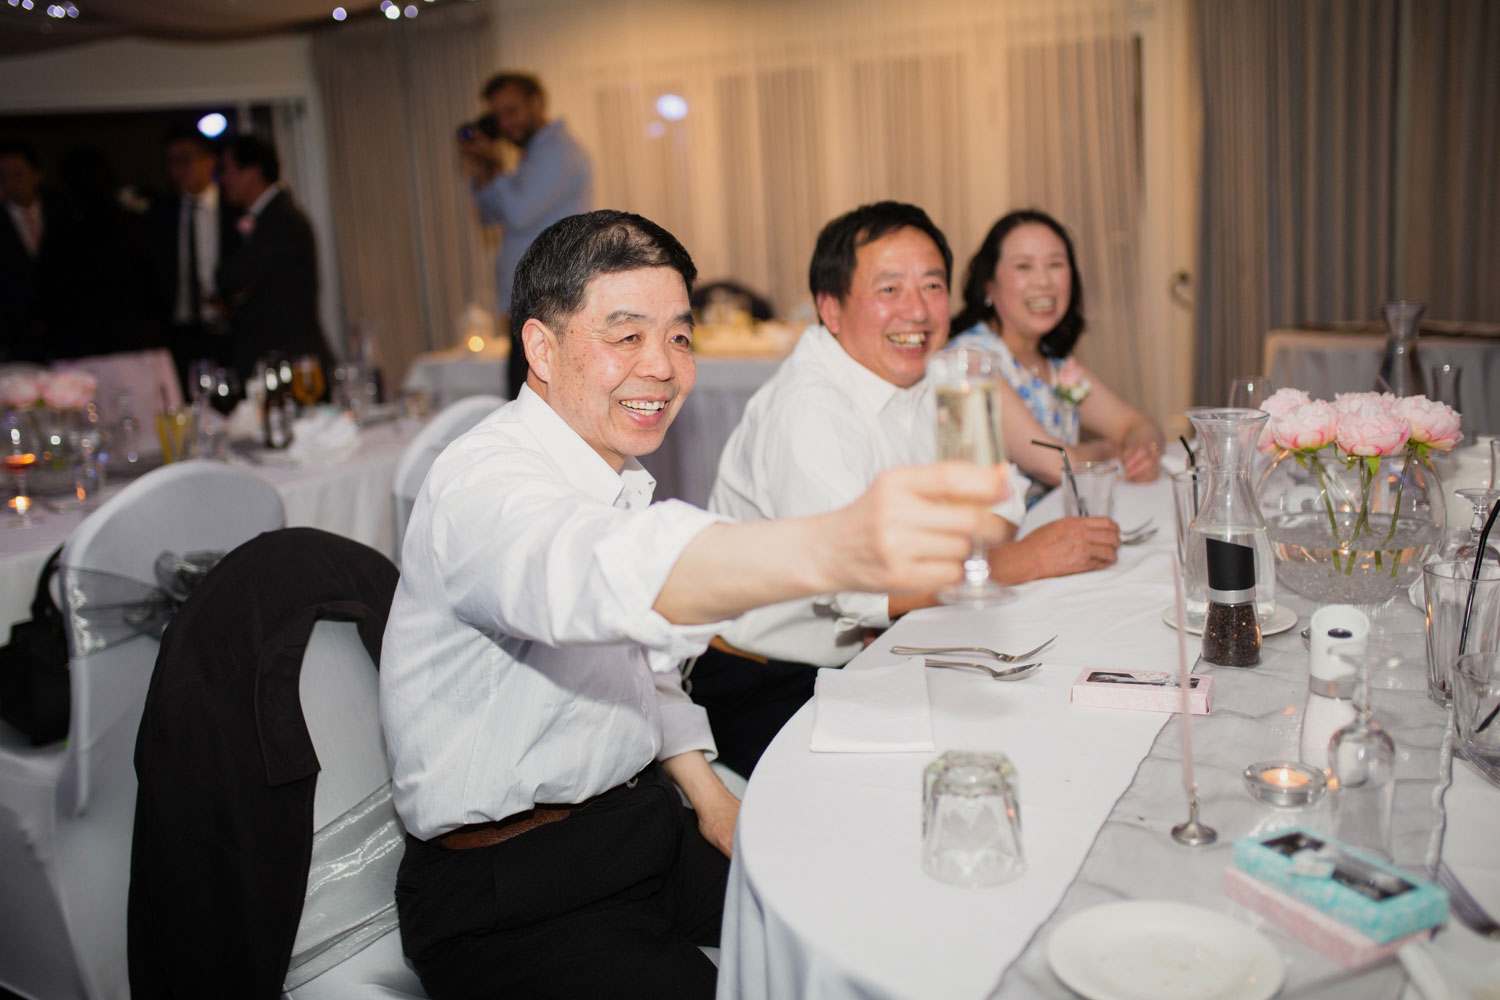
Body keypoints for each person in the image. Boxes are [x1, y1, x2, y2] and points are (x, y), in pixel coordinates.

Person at [381, 209, 1011, 999]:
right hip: (511, 891)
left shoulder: (605, 476)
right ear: (541, 348)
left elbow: (641, 668)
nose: (663, 366)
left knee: (871, 895)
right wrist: (837, 546)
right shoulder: (482, 485)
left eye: (678, 337)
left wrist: (712, 798)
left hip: (638, 831)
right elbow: (585, 575)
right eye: (626, 335)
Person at [691, 202, 1122, 777]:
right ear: (831, 308)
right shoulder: (809, 410)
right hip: (766, 680)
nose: (917, 310)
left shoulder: (935, 375)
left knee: (1050, 723)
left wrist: (985, 550)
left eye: (932, 285)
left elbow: (995, 506)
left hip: (875, 647)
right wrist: (1029, 558)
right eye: (888, 288)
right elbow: (868, 586)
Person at [949, 208, 1164, 486]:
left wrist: (1143, 452)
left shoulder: (1054, 363)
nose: (1044, 281)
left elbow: (1138, 424)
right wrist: (1109, 449)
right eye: (1023, 266)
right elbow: (1058, 466)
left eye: (1055, 264)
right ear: (989, 286)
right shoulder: (970, 361)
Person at [458, 72, 593, 398]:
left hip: (549, 301)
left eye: (512, 111)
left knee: (533, 410)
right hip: (533, 302)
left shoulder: (558, 152)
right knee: (527, 407)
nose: (505, 124)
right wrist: (487, 166)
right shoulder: (531, 157)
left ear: (537, 103)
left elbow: (517, 213)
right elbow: (490, 215)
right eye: (498, 115)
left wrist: (495, 162)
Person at [215, 133, 335, 382]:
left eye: (227, 170)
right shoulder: (267, 218)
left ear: (252, 171)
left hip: (290, 361)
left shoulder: (281, 219)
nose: (223, 180)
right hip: (278, 360)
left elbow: (232, 277)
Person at [148, 126, 242, 393]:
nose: (178, 170)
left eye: (185, 160)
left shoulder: (233, 208)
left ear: (209, 160)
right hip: (179, 328)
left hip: (226, 326)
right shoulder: (161, 214)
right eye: (172, 162)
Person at [0, 140, 59, 362]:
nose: (10, 183)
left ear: (37, 175)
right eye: (3, 176)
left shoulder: (60, 214)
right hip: (17, 339)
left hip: (63, 333)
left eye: (17, 174)